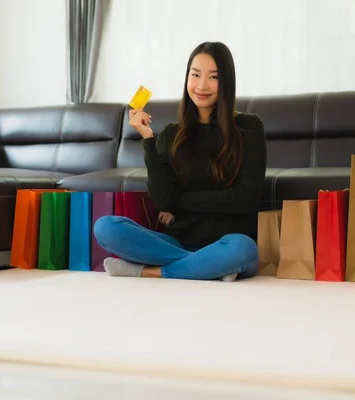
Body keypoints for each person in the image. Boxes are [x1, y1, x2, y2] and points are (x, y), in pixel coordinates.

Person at [93, 41, 266, 281]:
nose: (202, 85)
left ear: (226, 81)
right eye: (195, 75)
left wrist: (179, 201)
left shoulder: (249, 127)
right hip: (176, 241)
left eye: (213, 77)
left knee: (242, 249)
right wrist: (148, 139)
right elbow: (163, 199)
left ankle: (152, 271)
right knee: (105, 227)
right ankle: (205, 267)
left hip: (228, 242)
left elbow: (244, 199)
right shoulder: (172, 135)